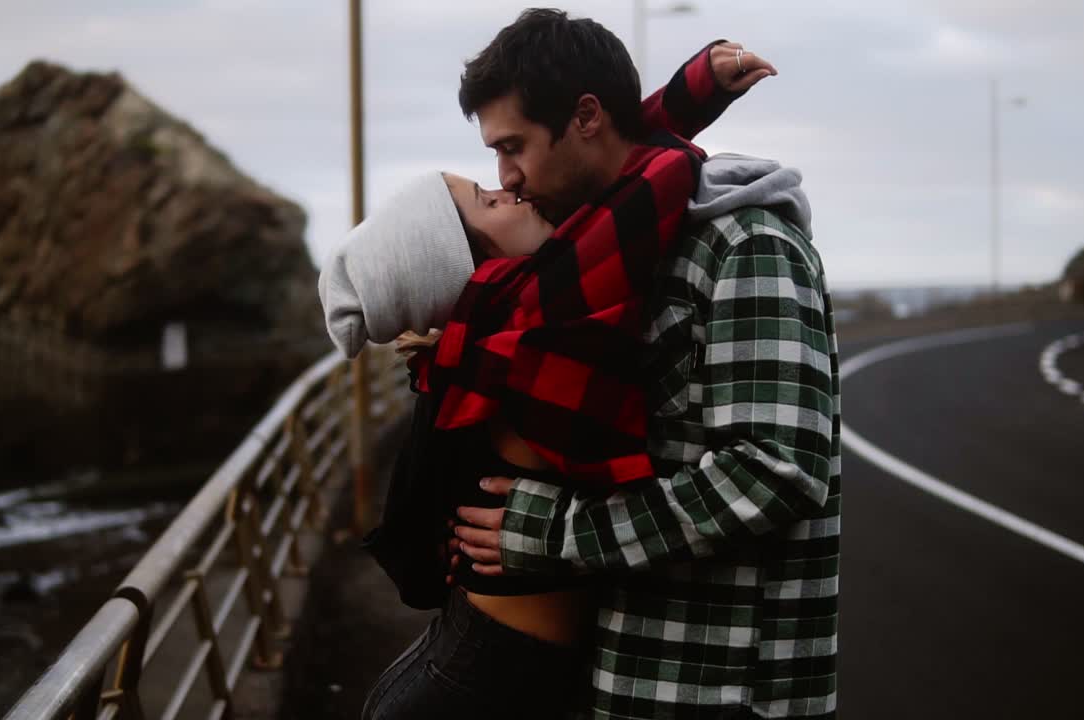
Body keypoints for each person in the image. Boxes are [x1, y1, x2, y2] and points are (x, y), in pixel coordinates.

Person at [318, 11, 774, 719]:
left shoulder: (499, 320)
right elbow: (643, 176)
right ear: (474, 264)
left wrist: (689, 93)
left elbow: (611, 160)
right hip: (486, 680)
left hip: (472, 660)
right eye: (488, 198)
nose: (510, 184)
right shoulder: (535, 312)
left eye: (508, 157)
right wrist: (690, 93)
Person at [448, 10, 842, 720]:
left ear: (588, 117)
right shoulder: (609, 241)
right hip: (625, 676)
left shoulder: (746, 243)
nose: (504, 176)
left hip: (726, 690)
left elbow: (777, 470)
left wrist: (557, 532)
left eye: (514, 146)